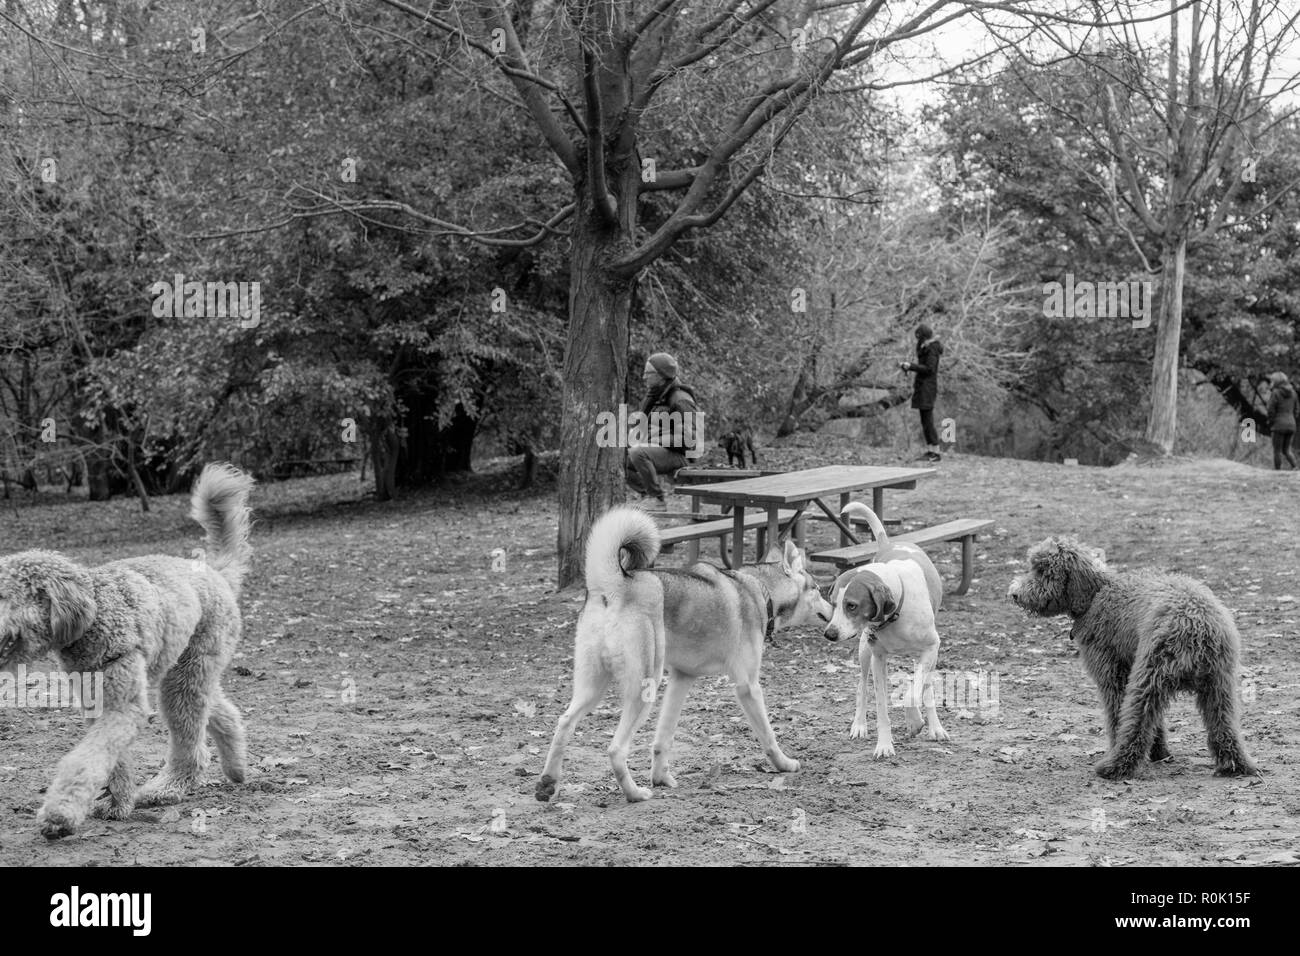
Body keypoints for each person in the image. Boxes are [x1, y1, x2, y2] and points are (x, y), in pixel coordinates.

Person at [626, 351, 699, 506]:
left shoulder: (680, 399)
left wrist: (653, 439)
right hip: (659, 450)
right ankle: (646, 495)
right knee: (619, 455)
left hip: (679, 456)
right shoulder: (656, 396)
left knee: (637, 452)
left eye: (648, 373)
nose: (644, 377)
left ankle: (656, 499)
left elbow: (688, 440)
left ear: (661, 375)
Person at [900, 322, 944, 462]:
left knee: (928, 420)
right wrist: (908, 367)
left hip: (928, 387)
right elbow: (922, 362)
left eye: (920, 338)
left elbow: (929, 369)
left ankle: (936, 453)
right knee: (924, 421)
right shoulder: (925, 347)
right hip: (923, 387)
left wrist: (911, 366)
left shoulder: (932, 349)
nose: (918, 340)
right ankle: (930, 450)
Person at [1266, 371, 1297, 470]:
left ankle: (1277, 472)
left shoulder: (1275, 393)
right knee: (1287, 450)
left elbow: (1270, 410)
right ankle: (1295, 467)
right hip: (1291, 424)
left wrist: (1271, 422)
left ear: (1275, 381)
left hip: (1278, 425)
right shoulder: (1294, 393)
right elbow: (1297, 410)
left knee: (1277, 450)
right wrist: (1292, 419)